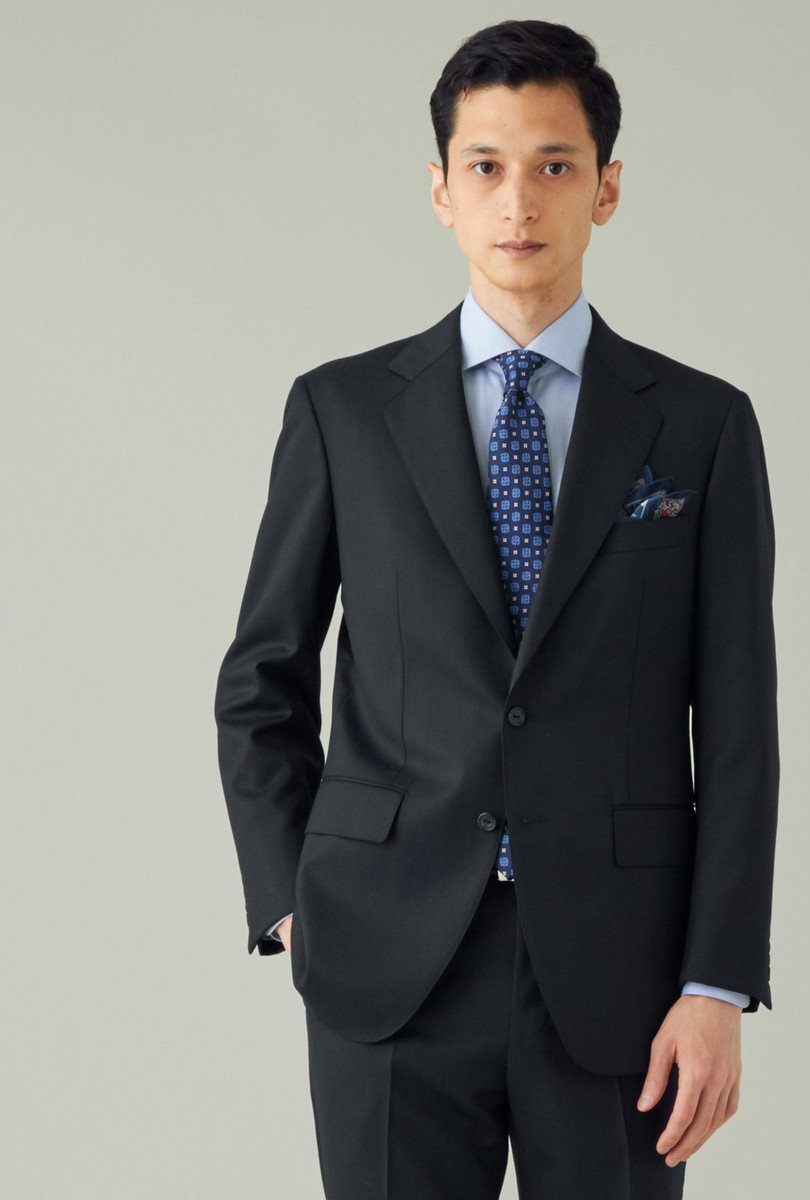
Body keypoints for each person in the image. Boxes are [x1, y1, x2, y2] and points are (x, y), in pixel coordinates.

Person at [214, 18, 779, 1199]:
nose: (518, 200)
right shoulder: (342, 413)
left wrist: (715, 983)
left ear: (605, 189)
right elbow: (261, 679)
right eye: (486, 166)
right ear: (441, 191)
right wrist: (293, 906)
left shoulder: (700, 426)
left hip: (624, 976)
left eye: (554, 165)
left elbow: (737, 729)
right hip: (386, 962)